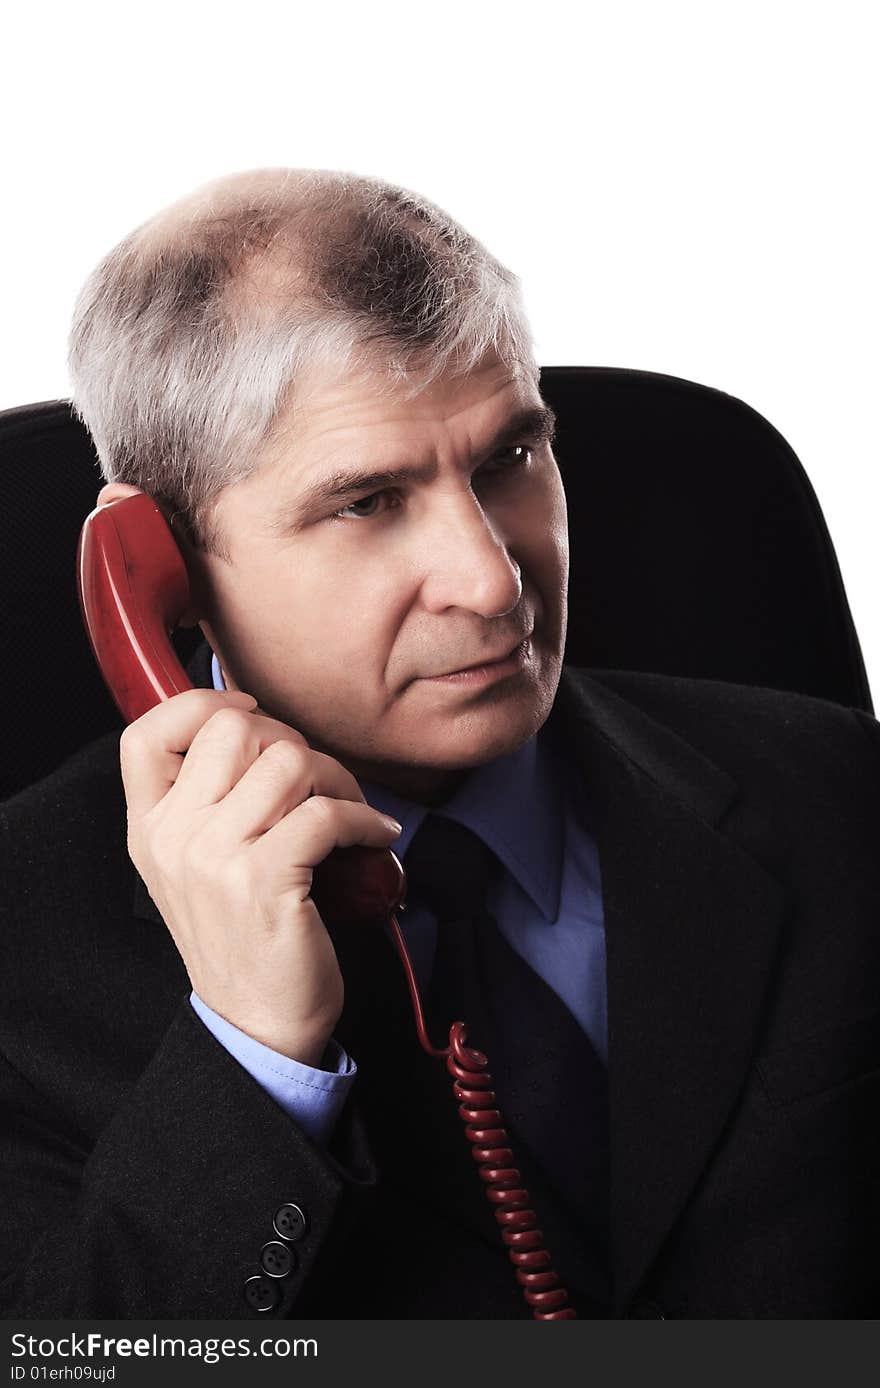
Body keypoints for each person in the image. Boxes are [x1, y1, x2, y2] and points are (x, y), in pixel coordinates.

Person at [1, 168, 878, 1321]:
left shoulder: (842, 795)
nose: (490, 578)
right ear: (161, 568)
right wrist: (252, 1053)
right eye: (366, 501)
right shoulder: (21, 950)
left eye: (508, 457)